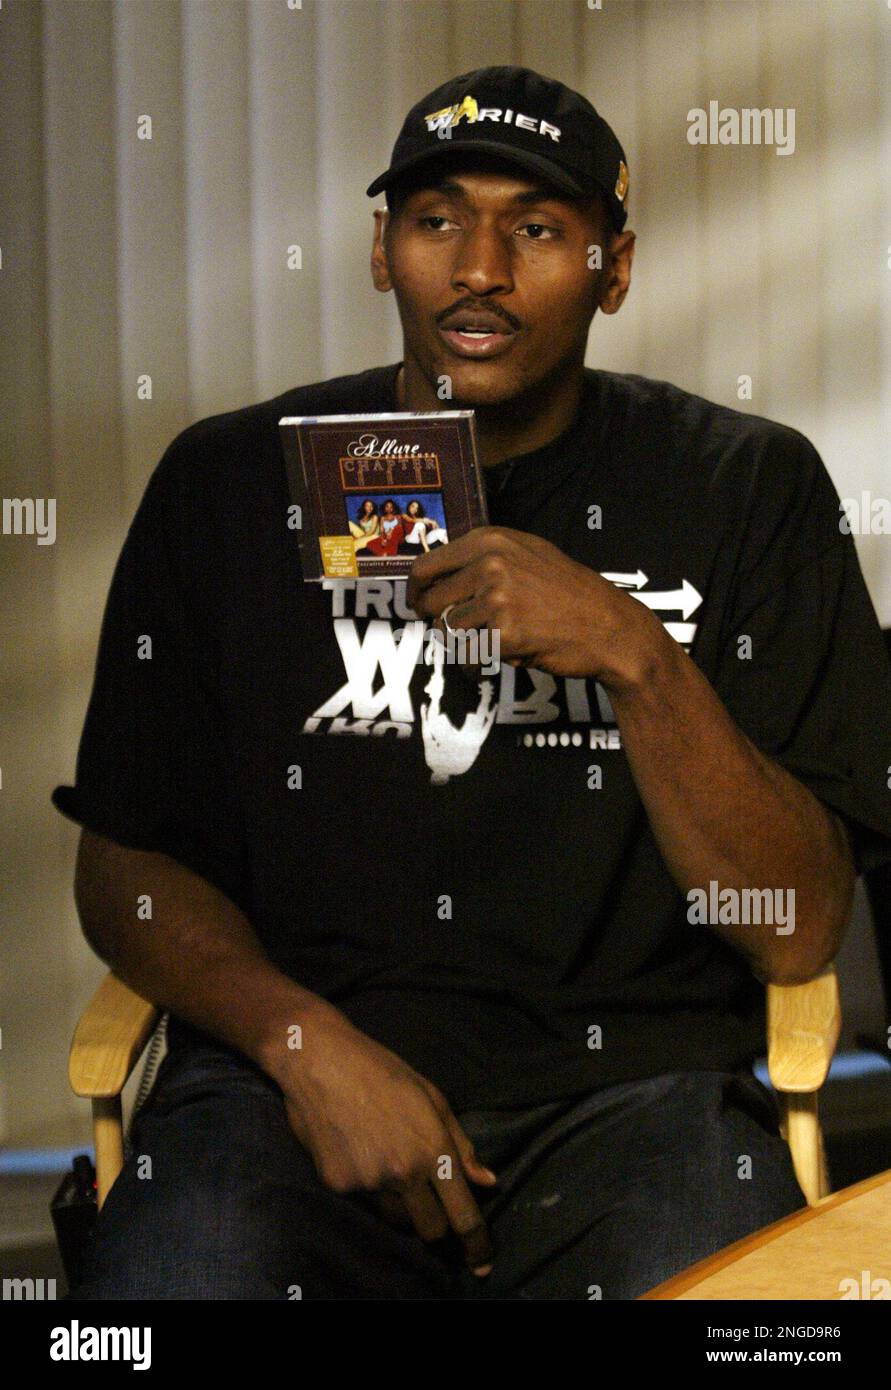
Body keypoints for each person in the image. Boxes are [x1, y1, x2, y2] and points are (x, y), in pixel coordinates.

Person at [53, 66, 891, 1301]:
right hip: (286, 1089)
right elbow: (124, 869)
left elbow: (798, 926)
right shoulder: (226, 480)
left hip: (630, 1101)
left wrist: (635, 654)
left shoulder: (746, 486)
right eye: (437, 219)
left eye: (539, 228)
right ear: (382, 251)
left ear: (615, 268)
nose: (480, 267)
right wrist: (309, 1046)